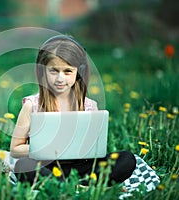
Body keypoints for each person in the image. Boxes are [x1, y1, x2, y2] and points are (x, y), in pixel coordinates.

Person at [9, 35, 136, 186]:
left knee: (127, 159)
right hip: (47, 166)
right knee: (24, 166)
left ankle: (70, 185)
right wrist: (48, 148)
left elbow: (95, 148)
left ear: (79, 72)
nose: (60, 78)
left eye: (68, 71)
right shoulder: (32, 105)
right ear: (43, 71)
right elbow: (15, 149)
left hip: (81, 167)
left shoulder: (89, 106)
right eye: (54, 71)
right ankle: (73, 186)